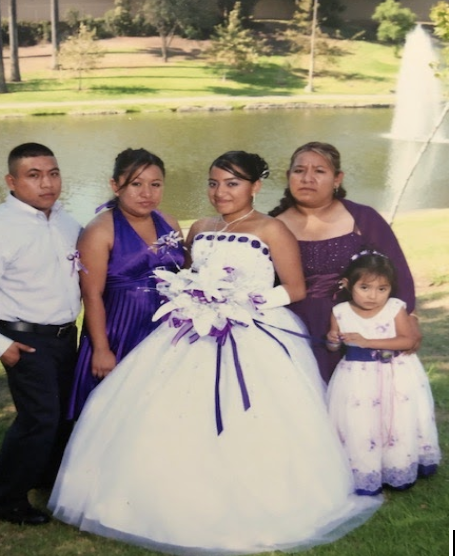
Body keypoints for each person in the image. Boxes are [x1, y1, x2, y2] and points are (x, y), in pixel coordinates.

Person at [48, 151, 381, 555]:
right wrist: (197, 297)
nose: (220, 192)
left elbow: (294, 288)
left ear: (256, 187)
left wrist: (241, 301)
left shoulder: (272, 229)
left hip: (252, 332)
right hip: (194, 330)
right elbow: (188, 276)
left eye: (232, 183)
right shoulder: (200, 228)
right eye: (213, 183)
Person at [0, 143, 82, 525]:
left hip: (64, 335)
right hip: (24, 339)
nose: (47, 183)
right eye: (34, 175)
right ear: (11, 181)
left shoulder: (66, 222)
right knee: (38, 419)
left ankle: (45, 476)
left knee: (62, 415)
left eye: (53, 173)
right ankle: (3, 498)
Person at [269, 141, 420, 384]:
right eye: (299, 171)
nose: (307, 178)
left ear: (337, 178)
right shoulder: (271, 226)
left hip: (358, 326)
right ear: (288, 176)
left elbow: (398, 274)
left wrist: (408, 317)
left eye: (319, 171)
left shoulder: (362, 218)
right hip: (294, 331)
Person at [67, 148, 185, 419]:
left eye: (155, 185)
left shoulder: (169, 222)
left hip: (165, 329)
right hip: (120, 330)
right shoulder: (100, 230)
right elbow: (92, 294)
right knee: (118, 411)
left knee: (161, 408)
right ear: (115, 185)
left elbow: (184, 274)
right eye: (136, 184)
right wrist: (101, 348)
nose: (147, 193)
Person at [326, 251, 441, 495]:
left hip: (396, 374)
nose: (373, 295)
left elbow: (407, 340)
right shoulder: (340, 312)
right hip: (356, 376)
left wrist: (367, 341)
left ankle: (398, 465)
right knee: (360, 421)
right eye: (365, 287)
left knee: (397, 419)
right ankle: (364, 469)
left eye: (382, 289)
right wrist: (333, 340)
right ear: (347, 284)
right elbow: (333, 346)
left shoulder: (395, 309)